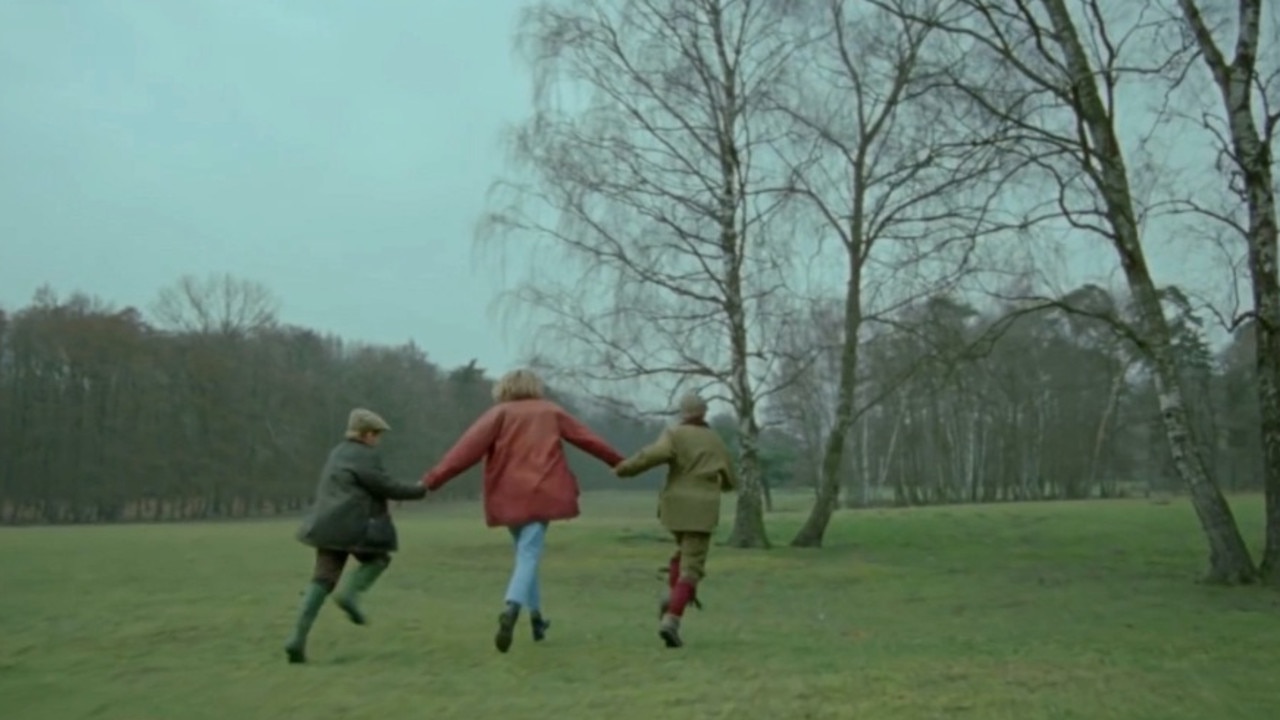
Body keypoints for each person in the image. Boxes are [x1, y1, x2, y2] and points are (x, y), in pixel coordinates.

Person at [420, 368, 624, 653]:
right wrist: (619, 462)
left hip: (508, 495)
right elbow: (588, 439)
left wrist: (432, 480)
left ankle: (537, 619)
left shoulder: (497, 415)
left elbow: (463, 452)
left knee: (525, 555)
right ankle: (512, 607)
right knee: (528, 555)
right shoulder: (551, 412)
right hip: (544, 491)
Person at [283, 408, 427, 664]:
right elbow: (385, 486)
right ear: (367, 434)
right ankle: (350, 594)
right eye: (377, 435)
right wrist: (420, 489)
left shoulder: (337, 452)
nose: (378, 440)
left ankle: (297, 638)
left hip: (326, 526)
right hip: (354, 526)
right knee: (379, 560)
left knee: (323, 579)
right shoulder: (366, 456)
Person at [613, 393, 737, 648]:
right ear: (704, 412)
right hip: (702, 510)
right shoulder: (715, 440)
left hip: (675, 508)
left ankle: (671, 597)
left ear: (683, 412)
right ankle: (672, 618)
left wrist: (626, 468)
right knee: (692, 568)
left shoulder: (674, 435)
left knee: (683, 554)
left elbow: (653, 455)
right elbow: (730, 480)